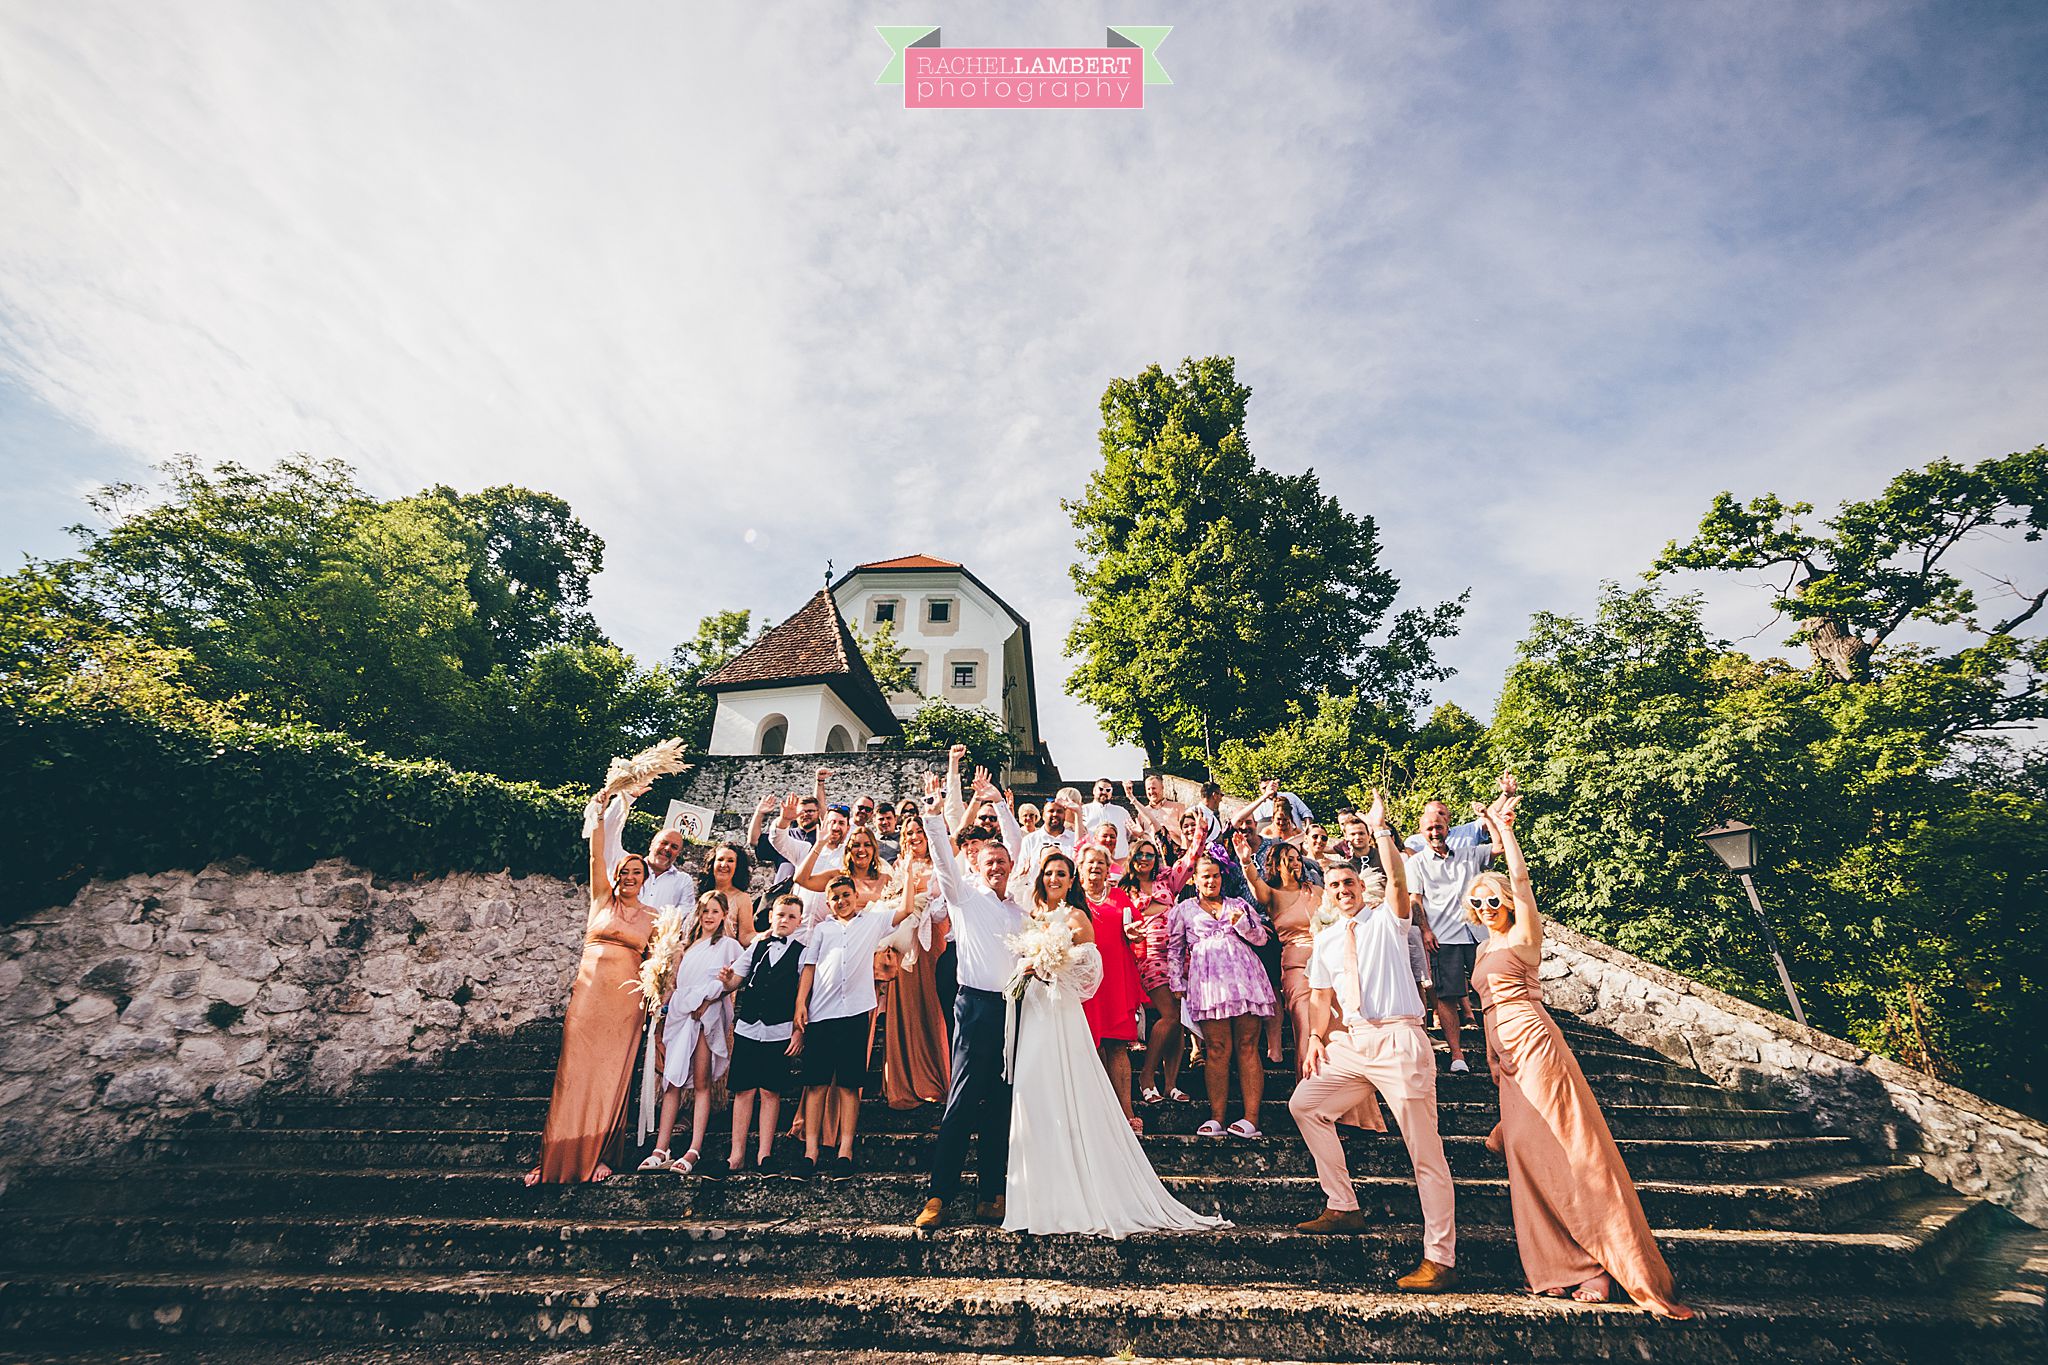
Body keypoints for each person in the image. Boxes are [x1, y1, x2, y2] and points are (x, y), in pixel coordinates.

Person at [1468, 794, 1694, 1316]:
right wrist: (1490, 1060)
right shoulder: (1481, 950)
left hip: (1535, 1043)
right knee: (1525, 1155)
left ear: (1506, 902)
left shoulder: (1523, 936)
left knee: (1567, 1150)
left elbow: (1521, 886)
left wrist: (1505, 833)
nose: (1485, 909)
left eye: (1492, 900)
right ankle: (1556, 1265)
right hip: (1503, 1056)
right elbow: (1484, 1007)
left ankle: (1599, 1266)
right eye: (1477, 903)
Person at [1001, 849, 1230, 1238]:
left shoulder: (1077, 917)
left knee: (1066, 1090)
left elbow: (1092, 973)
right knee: (1034, 1094)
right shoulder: (1033, 917)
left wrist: (1048, 966)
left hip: (1061, 1013)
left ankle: (1077, 1192)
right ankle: (1037, 1194)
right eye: (1049, 873)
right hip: (1035, 1015)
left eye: (1062, 874)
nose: (1055, 879)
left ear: (1071, 881)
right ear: (1041, 878)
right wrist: (1028, 966)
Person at [1287, 792, 1457, 1293]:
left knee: (1424, 1151)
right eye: (1334, 885)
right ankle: (1342, 1204)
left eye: (1348, 883)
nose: (1342, 889)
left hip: (1400, 1037)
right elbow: (1320, 996)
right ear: (1326, 894)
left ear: (1362, 887)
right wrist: (1316, 1037)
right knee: (1306, 1105)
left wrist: (1381, 831)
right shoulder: (1327, 940)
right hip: (1353, 1043)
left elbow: (1400, 883)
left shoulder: (1388, 919)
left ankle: (1440, 1258)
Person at [913, 781, 1025, 1229]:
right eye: (988, 861)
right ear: (976, 866)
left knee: (1000, 1103)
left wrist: (1001, 805)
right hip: (974, 1007)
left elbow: (1018, 843)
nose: (995, 866)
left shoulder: (1021, 910)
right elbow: (943, 861)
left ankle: (991, 1191)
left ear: (1010, 866)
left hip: (1014, 1012)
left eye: (1002, 861)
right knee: (961, 1102)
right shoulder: (963, 897)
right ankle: (939, 1194)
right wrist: (934, 818)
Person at [526, 797, 655, 1185]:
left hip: (626, 1003)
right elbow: (596, 858)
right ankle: (552, 1158)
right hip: (588, 996)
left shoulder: (653, 917)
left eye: (636, 871)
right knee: (572, 1073)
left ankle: (601, 1154)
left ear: (645, 878)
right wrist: (598, 817)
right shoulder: (601, 899)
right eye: (625, 870)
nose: (629, 876)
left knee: (612, 1076)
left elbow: (657, 965)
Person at [791, 873, 918, 1178]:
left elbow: (905, 910)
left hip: (856, 1012)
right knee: (817, 1083)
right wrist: (800, 1004)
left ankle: (845, 1150)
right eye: (835, 898)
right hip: (821, 1013)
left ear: (856, 896)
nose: (842, 901)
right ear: (828, 902)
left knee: (849, 1084)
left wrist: (910, 868)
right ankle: (811, 1150)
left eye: (846, 895)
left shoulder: (871, 923)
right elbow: (809, 967)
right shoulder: (822, 930)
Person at [1166, 850, 1275, 1139]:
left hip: (1244, 979)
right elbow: (1175, 950)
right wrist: (1177, 983)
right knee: (1215, 1048)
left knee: (1248, 1045)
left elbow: (1261, 939)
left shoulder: (1239, 904)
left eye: (1215, 875)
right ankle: (1217, 1118)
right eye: (1206, 876)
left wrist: (1242, 923)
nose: (1211, 880)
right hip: (1208, 983)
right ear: (1195, 880)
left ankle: (1251, 1119)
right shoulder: (1183, 909)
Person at [642, 891, 747, 1174]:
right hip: (681, 1014)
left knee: (701, 1080)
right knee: (672, 1081)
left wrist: (710, 999)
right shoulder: (687, 946)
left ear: (724, 914)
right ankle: (661, 1148)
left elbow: (736, 979)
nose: (709, 916)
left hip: (706, 1015)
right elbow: (675, 983)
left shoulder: (728, 945)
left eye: (715, 911)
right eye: (705, 911)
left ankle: (694, 1148)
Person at [704, 893, 806, 1180]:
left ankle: (765, 1154)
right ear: (771, 916)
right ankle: (735, 1155)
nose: (784, 920)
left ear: (799, 922)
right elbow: (738, 977)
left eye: (791, 916)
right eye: (780, 914)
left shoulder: (802, 952)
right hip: (748, 1027)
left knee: (770, 1091)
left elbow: (802, 995)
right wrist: (728, 980)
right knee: (744, 1090)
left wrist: (798, 1031)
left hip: (779, 1030)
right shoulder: (758, 947)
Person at [1405, 797, 1496, 1073]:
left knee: (1493, 993)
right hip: (1444, 936)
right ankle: (1457, 1056)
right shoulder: (1416, 863)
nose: (1435, 833)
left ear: (1448, 827)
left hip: (1479, 934)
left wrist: (1488, 817)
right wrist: (1425, 929)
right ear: (1422, 832)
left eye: (1439, 827)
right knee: (1446, 996)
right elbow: (1415, 900)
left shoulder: (1469, 853)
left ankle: (1500, 1049)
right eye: (1429, 829)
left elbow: (1501, 846)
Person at [879, 813, 950, 1109]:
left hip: (933, 939)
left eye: (918, 830)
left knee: (933, 1006)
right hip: (905, 944)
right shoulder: (898, 867)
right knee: (906, 1008)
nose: (913, 836)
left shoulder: (941, 865)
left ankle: (936, 1076)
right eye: (908, 832)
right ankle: (906, 1079)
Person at [1238, 835, 1325, 1076]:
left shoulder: (1316, 890)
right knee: (1305, 1025)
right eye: (1289, 859)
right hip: (1297, 968)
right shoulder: (1273, 895)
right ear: (1276, 865)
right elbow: (1255, 882)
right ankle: (1308, 1087)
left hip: (1328, 965)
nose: (1296, 863)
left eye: (1298, 859)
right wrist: (1246, 862)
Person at [1076, 843, 1146, 1131]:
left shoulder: (1119, 897)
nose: (1095, 868)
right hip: (1085, 982)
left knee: (1117, 1046)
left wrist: (1132, 934)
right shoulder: (1073, 899)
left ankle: (1126, 1113)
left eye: (1101, 864)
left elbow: (1138, 932)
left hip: (1115, 979)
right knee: (1087, 1047)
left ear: (1108, 870)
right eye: (1090, 863)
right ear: (1079, 868)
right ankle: (1094, 1114)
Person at [1122, 835, 1193, 1105]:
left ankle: (1171, 1085)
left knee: (1179, 1022)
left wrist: (1199, 831)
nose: (1144, 859)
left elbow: (1189, 861)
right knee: (1170, 1014)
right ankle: (1147, 1077)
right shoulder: (1125, 888)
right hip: (1149, 954)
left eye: (1150, 855)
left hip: (1178, 953)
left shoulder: (1166, 881)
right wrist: (1154, 907)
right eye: (1140, 854)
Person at [600, 792, 699, 909]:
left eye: (674, 847)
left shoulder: (683, 881)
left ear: (678, 853)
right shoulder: (624, 864)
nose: (667, 848)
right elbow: (608, 833)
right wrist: (627, 797)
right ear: (651, 845)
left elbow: (684, 914)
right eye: (664, 842)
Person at [704, 842, 756, 946]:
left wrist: (767, 935)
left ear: (737, 866)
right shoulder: (699, 894)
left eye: (730, 861)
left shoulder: (742, 898)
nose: (724, 865)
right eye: (720, 859)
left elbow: (746, 936)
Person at [1081, 778, 1134, 861]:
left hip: (1119, 863)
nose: (1104, 792)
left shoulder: (1122, 812)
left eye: (1108, 790)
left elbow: (1132, 837)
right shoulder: (1083, 810)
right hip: (1093, 862)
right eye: (1101, 789)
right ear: (1094, 791)